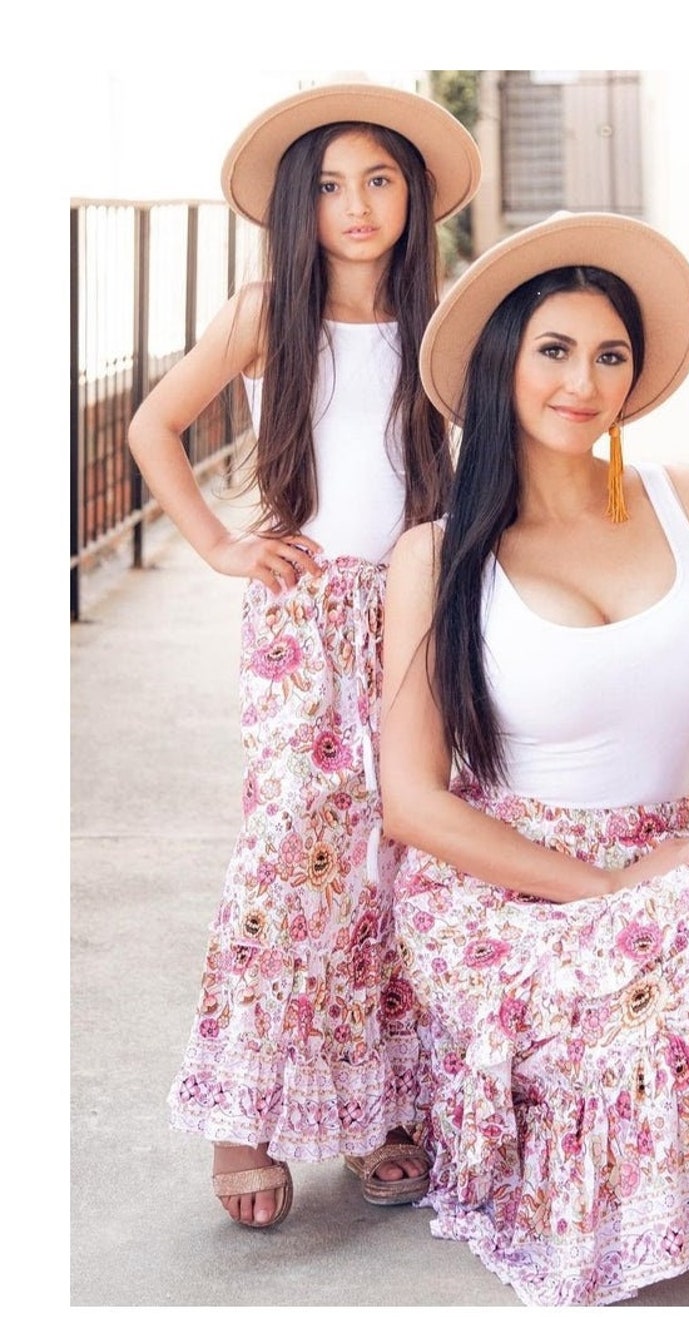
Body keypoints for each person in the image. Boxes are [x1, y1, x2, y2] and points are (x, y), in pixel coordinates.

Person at [379, 211, 689, 1306]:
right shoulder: (437, 554)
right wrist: (600, 886)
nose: (583, 381)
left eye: (610, 355)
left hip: (675, 855)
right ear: (504, 360)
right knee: (602, 1028)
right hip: (502, 884)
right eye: (555, 349)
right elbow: (410, 802)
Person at [127, 82, 481, 1228]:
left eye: (380, 179)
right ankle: (245, 1112)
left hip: (420, 609)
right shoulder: (265, 311)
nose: (358, 204)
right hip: (307, 611)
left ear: (413, 196)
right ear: (299, 203)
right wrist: (223, 542)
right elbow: (151, 427)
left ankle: (379, 1109)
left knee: (399, 855)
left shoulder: (446, 323)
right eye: (331, 185)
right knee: (293, 853)